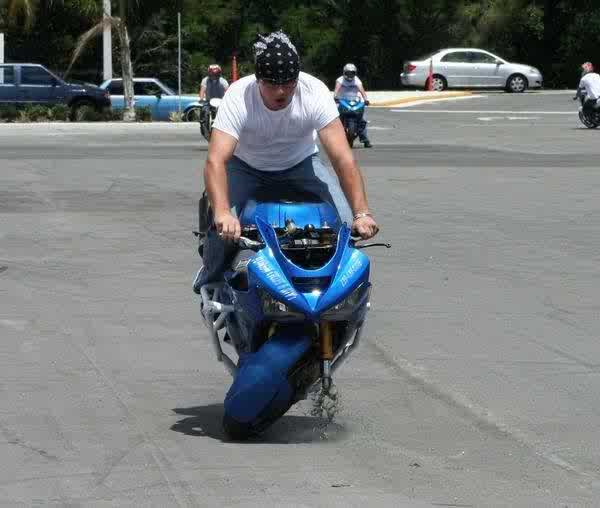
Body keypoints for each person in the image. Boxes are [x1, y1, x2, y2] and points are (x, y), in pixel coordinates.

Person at [194, 30, 379, 290]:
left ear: (297, 78)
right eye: (271, 84)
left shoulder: (314, 92)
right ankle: (209, 280)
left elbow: (342, 158)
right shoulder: (238, 96)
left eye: (289, 83)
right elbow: (216, 161)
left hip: (301, 164)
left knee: (346, 227)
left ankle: (335, 290)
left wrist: (362, 213)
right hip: (246, 166)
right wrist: (223, 212)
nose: (281, 91)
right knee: (222, 230)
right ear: (258, 80)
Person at [334, 63, 372, 148]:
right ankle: (336, 137)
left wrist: (366, 99)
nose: (350, 75)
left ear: (355, 73)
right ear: (344, 73)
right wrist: (335, 97)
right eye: (348, 73)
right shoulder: (340, 80)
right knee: (335, 119)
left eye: (352, 73)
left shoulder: (357, 80)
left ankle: (365, 139)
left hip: (355, 101)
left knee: (363, 119)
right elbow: (336, 90)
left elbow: (362, 91)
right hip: (342, 101)